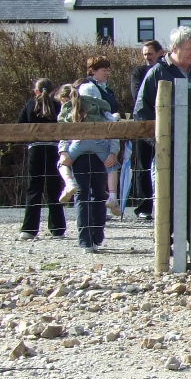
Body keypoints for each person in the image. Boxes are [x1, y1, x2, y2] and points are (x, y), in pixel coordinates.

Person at [134, 26, 191, 253]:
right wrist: (158, 142)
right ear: (175, 48)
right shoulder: (158, 73)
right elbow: (142, 111)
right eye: (189, 49)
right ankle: (165, 240)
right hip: (168, 146)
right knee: (167, 193)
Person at [61, 83, 118, 253]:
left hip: (78, 155)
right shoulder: (103, 110)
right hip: (101, 156)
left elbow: (63, 131)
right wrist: (113, 153)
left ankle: (85, 241)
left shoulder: (73, 110)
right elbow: (115, 129)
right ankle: (97, 234)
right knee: (99, 195)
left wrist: (63, 151)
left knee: (81, 196)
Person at [17, 79, 66, 241]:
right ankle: (57, 228)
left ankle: (29, 229)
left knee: (34, 188)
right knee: (54, 188)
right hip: (53, 150)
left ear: (36, 91)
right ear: (53, 91)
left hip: (35, 150)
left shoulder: (30, 105)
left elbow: (20, 127)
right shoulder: (57, 106)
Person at [77, 56, 125, 219]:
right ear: (93, 71)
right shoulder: (88, 89)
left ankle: (103, 206)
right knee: (101, 171)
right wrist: (113, 118)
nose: (107, 72)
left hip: (106, 132)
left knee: (105, 171)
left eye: (108, 69)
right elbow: (95, 112)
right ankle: (101, 207)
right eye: (104, 70)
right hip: (95, 136)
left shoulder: (105, 89)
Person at [128, 41, 164, 219]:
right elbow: (137, 96)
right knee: (142, 165)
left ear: (160, 53)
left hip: (165, 124)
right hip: (144, 124)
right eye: (144, 54)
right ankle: (144, 206)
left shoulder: (166, 71)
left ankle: (165, 203)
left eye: (150, 53)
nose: (147, 57)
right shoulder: (139, 72)